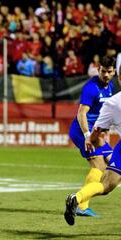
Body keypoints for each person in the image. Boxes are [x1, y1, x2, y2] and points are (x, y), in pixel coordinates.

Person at [64, 78, 121, 226]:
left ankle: (77, 199)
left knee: (108, 175)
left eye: (110, 71)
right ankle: (82, 206)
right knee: (100, 167)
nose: (106, 74)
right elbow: (82, 113)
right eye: (103, 70)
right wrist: (87, 136)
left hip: (96, 134)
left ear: (116, 73)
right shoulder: (92, 88)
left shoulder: (112, 92)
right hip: (84, 132)